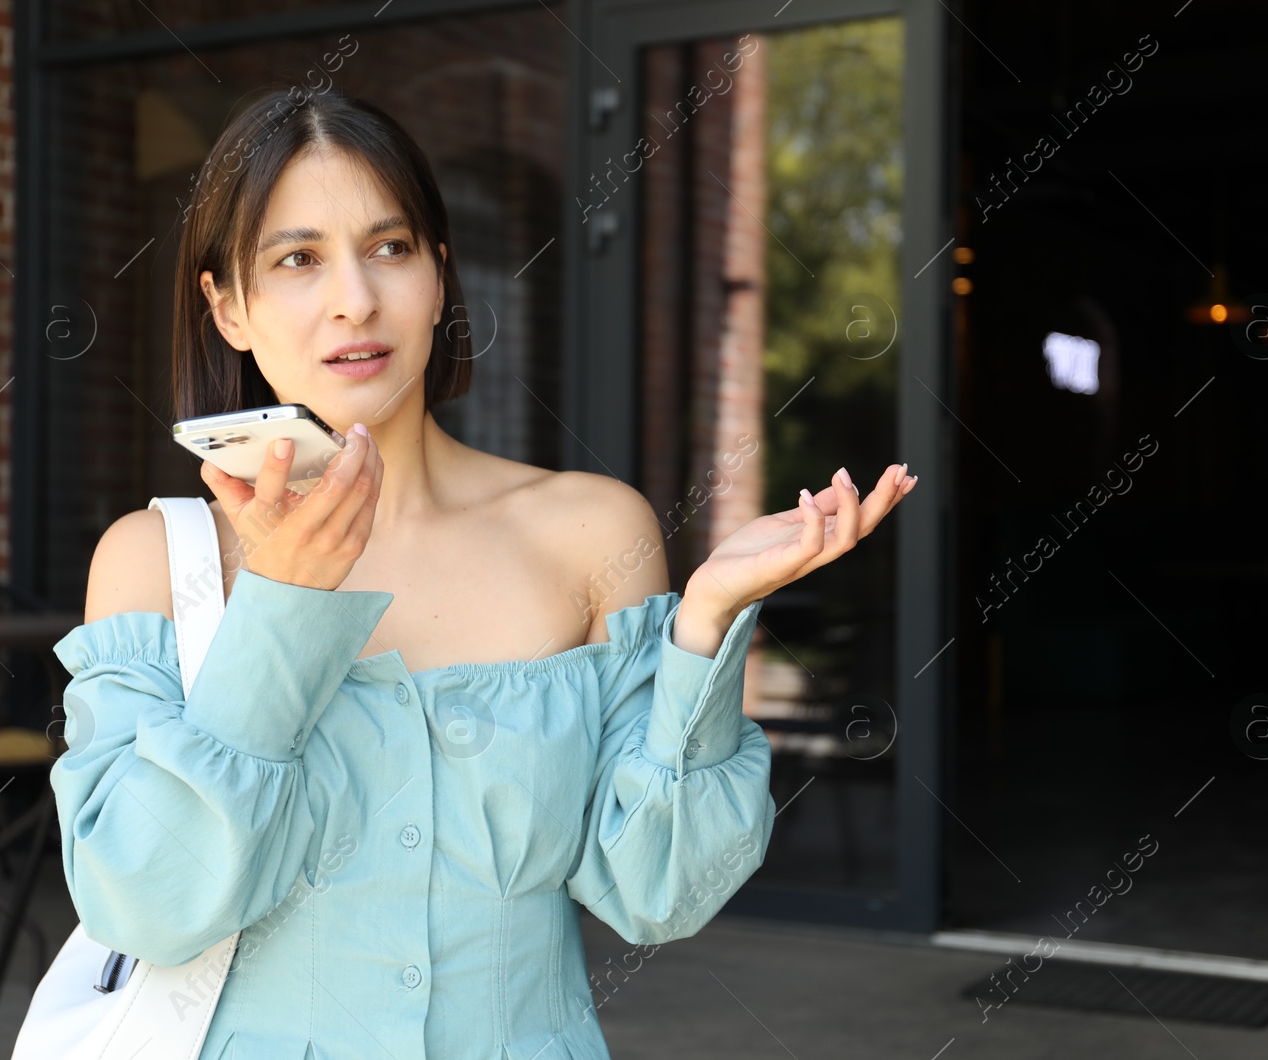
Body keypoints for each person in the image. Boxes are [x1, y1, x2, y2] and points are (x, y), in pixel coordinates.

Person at [50, 86, 917, 1059]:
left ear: (439, 277)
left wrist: (704, 622)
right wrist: (281, 606)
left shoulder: (591, 531)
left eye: (391, 247)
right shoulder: (155, 560)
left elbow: (657, 891)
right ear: (228, 307)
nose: (355, 297)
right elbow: (147, 904)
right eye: (298, 258)